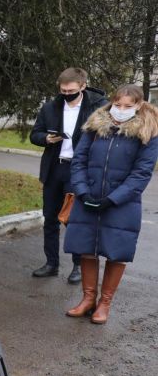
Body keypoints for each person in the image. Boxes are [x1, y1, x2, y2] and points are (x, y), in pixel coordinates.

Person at [64, 84, 158, 324]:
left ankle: (104, 303)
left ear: (139, 106)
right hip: (89, 197)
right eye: (117, 104)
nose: (121, 110)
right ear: (111, 102)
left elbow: (141, 174)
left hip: (121, 204)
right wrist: (83, 192)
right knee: (86, 247)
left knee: (116, 252)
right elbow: (79, 160)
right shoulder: (95, 126)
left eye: (128, 106)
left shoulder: (147, 133)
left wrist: (112, 199)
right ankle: (87, 299)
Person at [29, 68, 107, 283]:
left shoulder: (97, 107)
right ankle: (51, 263)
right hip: (55, 168)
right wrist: (46, 138)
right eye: (62, 90)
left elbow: (105, 135)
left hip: (80, 170)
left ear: (83, 86)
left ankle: (78, 266)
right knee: (50, 218)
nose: (66, 93)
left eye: (70, 90)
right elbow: (34, 134)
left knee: (74, 220)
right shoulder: (50, 107)